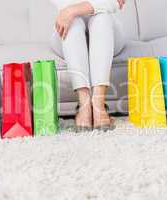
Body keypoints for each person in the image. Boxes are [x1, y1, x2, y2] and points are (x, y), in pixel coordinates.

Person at [50, 0, 126, 132]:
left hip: (108, 33)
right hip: (67, 33)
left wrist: (71, 10)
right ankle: (84, 105)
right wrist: (71, 11)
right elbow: (64, 7)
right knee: (73, 21)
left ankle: (98, 104)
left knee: (101, 18)